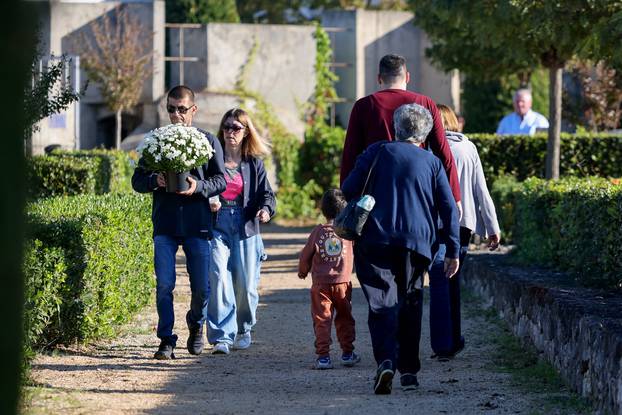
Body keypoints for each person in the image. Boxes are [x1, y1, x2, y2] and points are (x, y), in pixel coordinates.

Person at [342, 103, 460, 395]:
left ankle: (385, 360)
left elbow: (348, 188)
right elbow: (448, 208)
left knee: (381, 300)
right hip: (417, 242)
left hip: (376, 237)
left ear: (396, 128)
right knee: (411, 300)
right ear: (424, 134)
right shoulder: (431, 162)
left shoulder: (376, 152)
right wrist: (453, 249)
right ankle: (409, 370)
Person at [132, 85, 226, 360]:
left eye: (181, 109)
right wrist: (155, 180)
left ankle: (196, 325)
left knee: (201, 288)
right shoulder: (156, 141)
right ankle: (166, 340)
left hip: (198, 223)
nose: (176, 115)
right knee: (164, 285)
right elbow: (137, 180)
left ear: (193, 110)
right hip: (166, 223)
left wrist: (198, 186)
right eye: (171, 109)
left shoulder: (208, 140)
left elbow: (221, 180)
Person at [339, 54, 462, 218]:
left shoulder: (363, 106)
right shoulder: (425, 103)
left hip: (374, 198)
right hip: (418, 191)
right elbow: (444, 154)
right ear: (408, 77)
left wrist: (344, 200)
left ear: (379, 78)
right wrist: (455, 197)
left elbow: (349, 157)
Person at [429, 105, 501, 361]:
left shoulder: (430, 149)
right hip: (464, 224)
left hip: (436, 223)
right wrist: (492, 227)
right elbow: (481, 189)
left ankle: (443, 343)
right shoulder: (468, 147)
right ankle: (453, 338)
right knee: (453, 281)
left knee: (438, 277)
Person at [207, 108, 276, 355]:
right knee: (218, 277)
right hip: (218, 223)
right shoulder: (211, 160)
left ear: (246, 132)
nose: (230, 132)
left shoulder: (254, 164)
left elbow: (267, 194)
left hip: (246, 224)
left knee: (245, 284)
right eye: (226, 127)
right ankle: (221, 336)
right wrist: (210, 198)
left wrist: (266, 210)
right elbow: (204, 185)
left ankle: (244, 328)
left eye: (236, 128)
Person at [298, 189, 360, 370]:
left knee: (322, 319)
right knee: (345, 317)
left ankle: (323, 357)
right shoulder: (348, 232)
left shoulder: (317, 232)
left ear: (322, 210)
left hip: (320, 285)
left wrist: (303, 271)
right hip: (343, 283)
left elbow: (305, 256)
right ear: (344, 209)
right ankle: (348, 353)